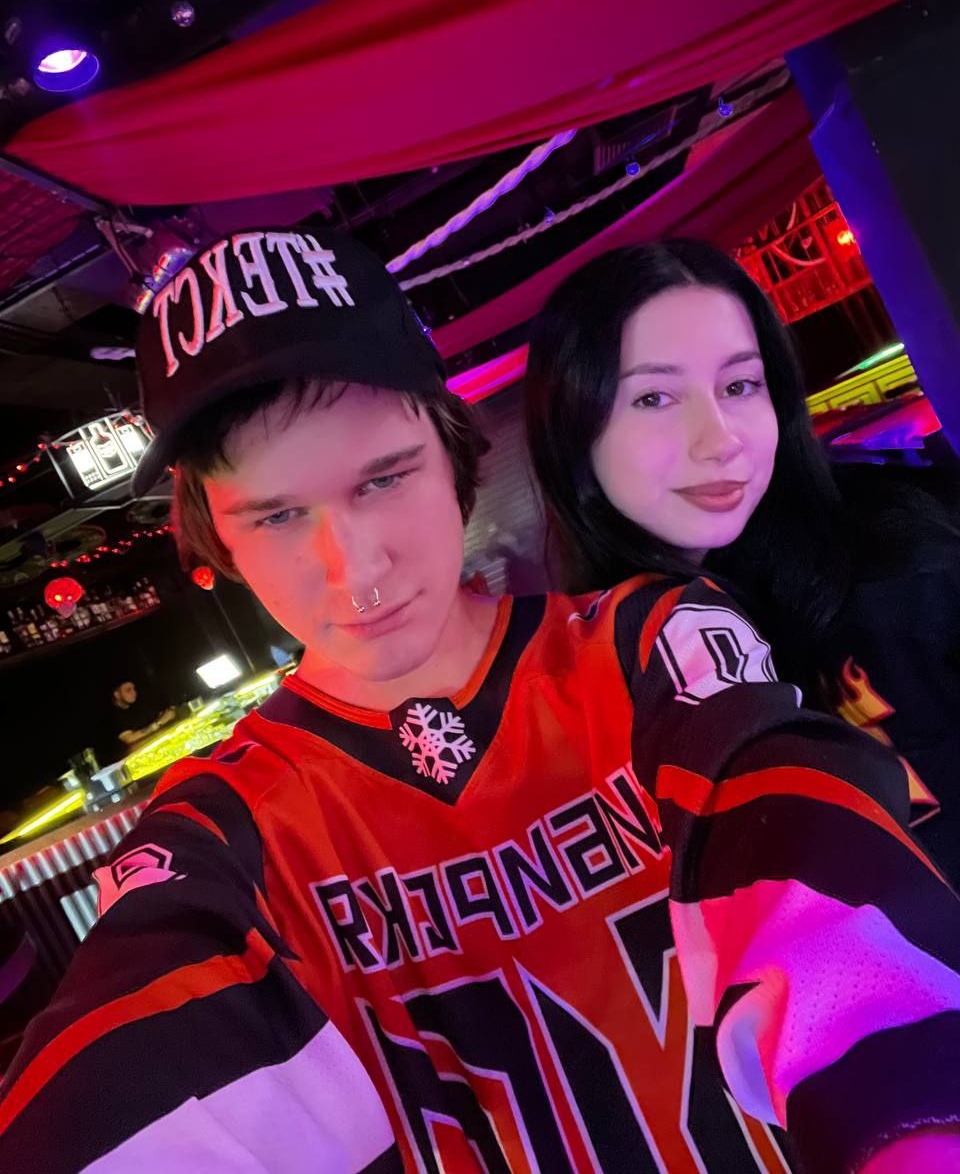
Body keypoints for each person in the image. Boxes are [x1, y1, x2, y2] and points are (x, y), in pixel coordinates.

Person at [1, 227, 959, 1174]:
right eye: (279, 515)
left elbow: (807, 865)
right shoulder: (221, 829)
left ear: (453, 449)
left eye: (385, 478)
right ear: (218, 535)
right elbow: (139, 1073)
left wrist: (910, 1119)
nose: (355, 568)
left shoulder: (649, 647)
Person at [524, 238, 960, 883]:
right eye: (654, 398)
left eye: (739, 385)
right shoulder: (587, 693)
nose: (721, 439)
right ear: (572, 432)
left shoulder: (902, 565)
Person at [109, 678, 176, 750]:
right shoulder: (113, 716)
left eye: (134, 689)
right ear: (117, 694)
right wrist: (158, 723)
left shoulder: (138, 705)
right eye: (128, 690)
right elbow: (129, 739)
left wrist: (167, 714)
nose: (134, 692)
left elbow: (163, 715)